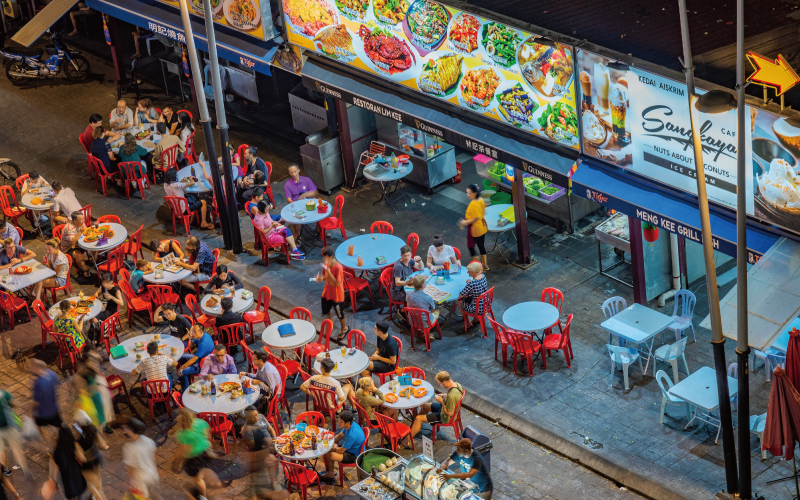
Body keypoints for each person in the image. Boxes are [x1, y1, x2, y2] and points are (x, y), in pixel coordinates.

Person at [171, 409, 225, 500]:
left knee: (198, 480)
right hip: (204, 452)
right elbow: (208, 435)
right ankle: (215, 481)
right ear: (192, 414)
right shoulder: (201, 422)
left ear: (182, 420)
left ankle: (203, 497)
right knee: (204, 469)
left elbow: (184, 451)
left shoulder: (183, 434)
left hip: (193, 459)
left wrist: (177, 461)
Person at [241, 407, 286, 500]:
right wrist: (267, 446)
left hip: (272, 444)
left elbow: (271, 429)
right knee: (273, 461)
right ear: (248, 418)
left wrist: (274, 440)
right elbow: (254, 447)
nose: (256, 417)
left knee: (289, 445)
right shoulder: (247, 429)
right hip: (262, 451)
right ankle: (275, 482)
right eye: (253, 416)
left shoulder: (261, 417)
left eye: (256, 414)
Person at [410, 371, 463, 439]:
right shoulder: (457, 385)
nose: (440, 385)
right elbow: (453, 396)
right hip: (446, 407)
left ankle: (406, 441)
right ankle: (416, 424)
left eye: (440, 384)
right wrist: (444, 395)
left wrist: (441, 402)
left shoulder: (451, 396)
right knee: (425, 406)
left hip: (445, 416)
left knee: (418, 418)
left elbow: (450, 413)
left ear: (444, 382)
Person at [319, 411, 365, 484]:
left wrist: (329, 448)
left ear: (348, 423)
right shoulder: (351, 425)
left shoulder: (351, 435)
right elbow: (339, 436)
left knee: (331, 454)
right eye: (339, 421)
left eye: (341, 422)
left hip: (355, 455)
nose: (338, 423)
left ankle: (330, 473)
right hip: (350, 449)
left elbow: (341, 450)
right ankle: (330, 472)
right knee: (331, 446)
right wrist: (328, 440)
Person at [73, 409, 107, 500]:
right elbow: (101, 442)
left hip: (87, 463)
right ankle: (95, 496)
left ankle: (98, 497)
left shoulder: (77, 433)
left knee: (90, 483)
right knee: (97, 479)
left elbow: (79, 454)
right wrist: (103, 445)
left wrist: (80, 456)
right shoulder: (93, 428)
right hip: (96, 457)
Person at [316, 246, 348, 339]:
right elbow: (325, 277)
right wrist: (321, 279)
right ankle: (329, 325)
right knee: (326, 310)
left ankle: (344, 328)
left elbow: (337, 283)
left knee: (339, 313)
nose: (323, 259)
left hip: (337, 294)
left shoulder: (338, 267)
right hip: (327, 292)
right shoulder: (326, 265)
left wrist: (329, 272)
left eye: (324, 257)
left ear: (330, 257)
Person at [122, 418, 159, 499]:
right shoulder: (148, 440)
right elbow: (154, 458)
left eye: (126, 428)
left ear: (131, 431)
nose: (124, 429)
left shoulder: (129, 448)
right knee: (151, 493)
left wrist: (130, 482)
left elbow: (131, 468)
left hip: (141, 480)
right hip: (152, 474)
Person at [49, 424, 86, 500]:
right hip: (76, 473)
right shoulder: (73, 444)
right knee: (79, 496)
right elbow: (82, 458)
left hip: (66, 479)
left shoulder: (57, 452)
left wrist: (53, 480)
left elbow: (57, 467)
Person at [87, 272, 124, 344]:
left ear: (111, 282)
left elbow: (121, 303)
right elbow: (97, 292)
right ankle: (95, 332)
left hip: (112, 311)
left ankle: (100, 336)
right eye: (103, 283)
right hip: (105, 306)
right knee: (90, 317)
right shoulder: (103, 286)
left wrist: (112, 297)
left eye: (107, 283)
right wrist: (96, 294)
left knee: (94, 318)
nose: (105, 285)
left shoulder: (116, 290)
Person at [459, 184, 488, 271]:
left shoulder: (473, 204)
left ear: (475, 193)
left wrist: (465, 222)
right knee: (481, 246)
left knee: (471, 247)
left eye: (470, 193)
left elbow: (477, 217)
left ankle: (476, 269)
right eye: (467, 193)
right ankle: (485, 265)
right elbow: (482, 212)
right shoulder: (481, 200)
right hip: (482, 227)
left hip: (475, 229)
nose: (468, 195)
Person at [177, 325, 215, 391]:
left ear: (200, 332)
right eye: (192, 331)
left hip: (202, 365)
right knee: (181, 357)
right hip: (200, 358)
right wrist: (191, 338)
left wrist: (181, 368)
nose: (192, 333)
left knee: (182, 372)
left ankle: (184, 392)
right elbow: (191, 346)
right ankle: (185, 378)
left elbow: (194, 359)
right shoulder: (203, 335)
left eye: (195, 332)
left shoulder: (204, 343)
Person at [392, 245, 424, 321]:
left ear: (411, 255)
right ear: (401, 256)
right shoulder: (399, 267)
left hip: (408, 287)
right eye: (404, 256)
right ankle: (402, 311)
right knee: (417, 299)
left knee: (421, 294)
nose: (407, 258)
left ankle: (416, 313)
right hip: (398, 292)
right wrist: (408, 282)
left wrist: (419, 260)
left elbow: (421, 268)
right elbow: (397, 283)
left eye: (408, 255)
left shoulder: (410, 261)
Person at [0, 388, 27, 476]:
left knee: (1, 451)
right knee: (16, 449)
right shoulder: (3, 394)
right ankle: (25, 469)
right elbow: (16, 404)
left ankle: (7, 470)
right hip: (8, 426)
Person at [30, 359, 61, 434]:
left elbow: (36, 402)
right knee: (57, 428)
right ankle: (59, 440)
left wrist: (31, 412)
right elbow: (57, 382)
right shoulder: (52, 374)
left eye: (31, 367)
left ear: (36, 368)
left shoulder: (37, 383)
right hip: (54, 409)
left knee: (38, 426)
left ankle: (47, 440)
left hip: (43, 413)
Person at [59, 212, 91, 278]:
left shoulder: (81, 223)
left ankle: (94, 259)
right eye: (81, 219)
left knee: (94, 243)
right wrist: (81, 232)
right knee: (78, 254)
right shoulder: (69, 228)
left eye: (83, 218)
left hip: (79, 243)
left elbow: (86, 231)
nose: (83, 221)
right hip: (68, 248)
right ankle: (85, 269)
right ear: (75, 221)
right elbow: (72, 242)